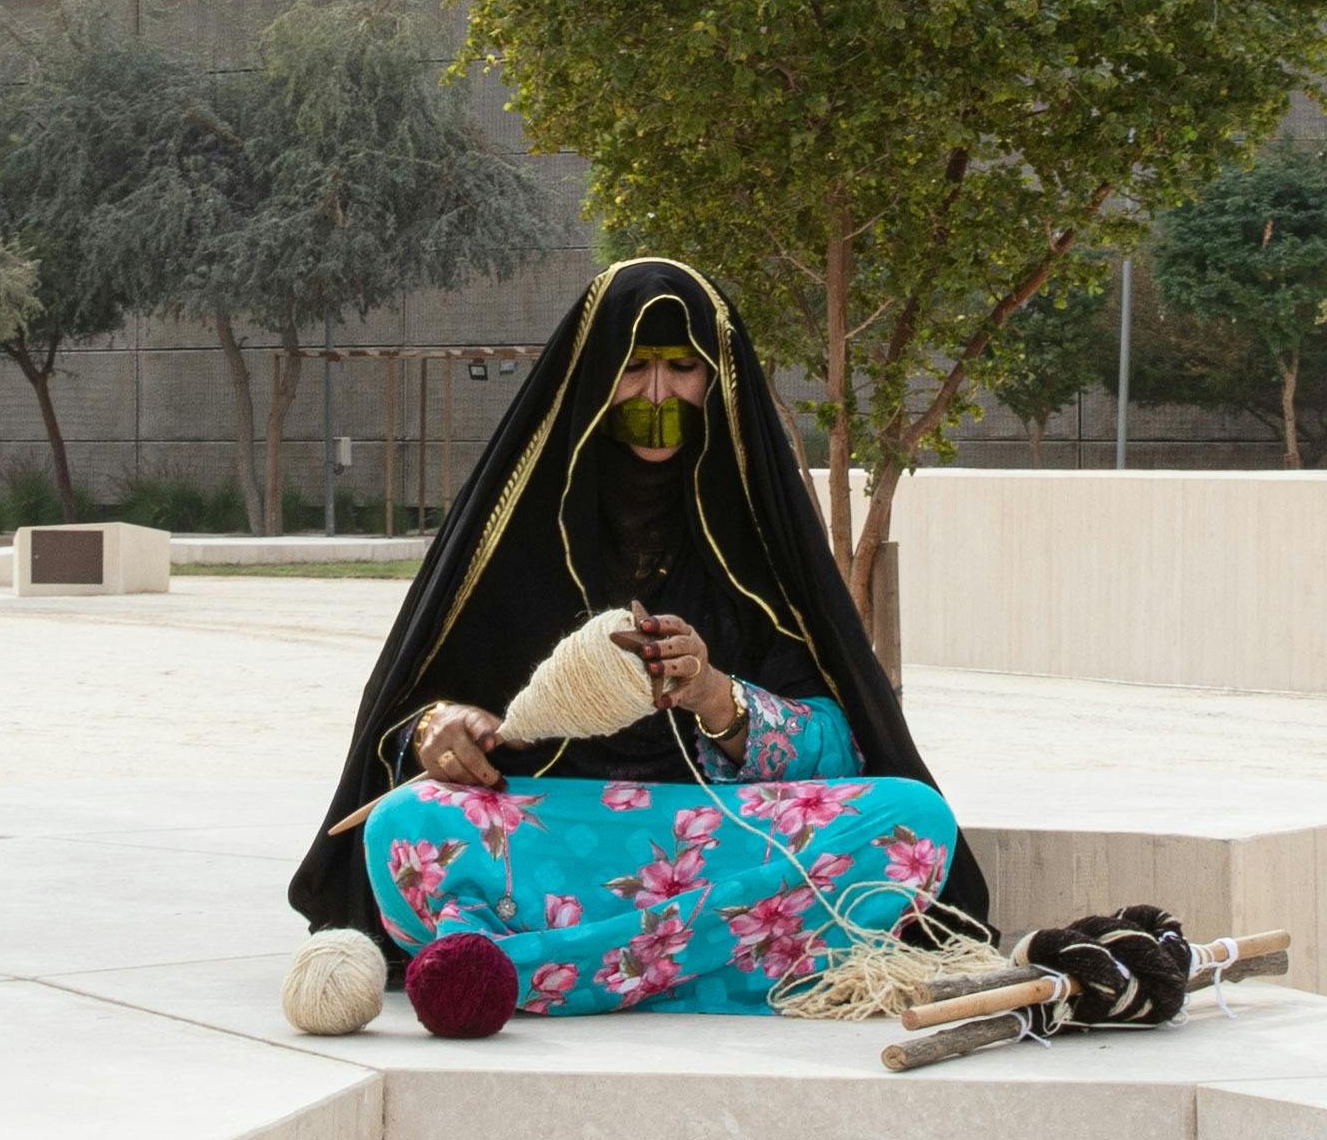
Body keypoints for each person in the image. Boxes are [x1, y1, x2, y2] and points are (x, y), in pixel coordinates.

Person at [297, 257, 982, 1013]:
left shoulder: (754, 542)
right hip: (549, 840)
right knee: (404, 823)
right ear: (592, 377)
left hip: (719, 846)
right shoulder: (514, 536)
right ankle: (716, 969)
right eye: (634, 368)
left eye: (682, 367)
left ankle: (517, 973)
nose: (659, 394)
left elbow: (842, 751)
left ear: (715, 379)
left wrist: (721, 700)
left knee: (914, 821)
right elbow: (400, 726)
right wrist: (436, 729)